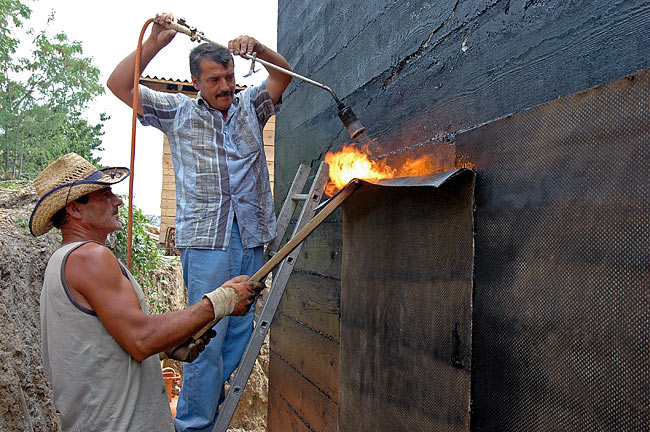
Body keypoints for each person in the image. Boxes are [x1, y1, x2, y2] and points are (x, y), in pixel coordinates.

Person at [107, 12, 292, 431]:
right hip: (206, 241)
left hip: (251, 233)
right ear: (196, 83)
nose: (226, 86)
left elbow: (284, 76)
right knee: (205, 336)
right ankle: (193, 424)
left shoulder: (251, 107)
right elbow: (119, 85)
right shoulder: (176, 113)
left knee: (240, 331)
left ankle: (209, 402)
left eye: (228, 76)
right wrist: (156, 42)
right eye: (215, 80)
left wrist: (259, 50)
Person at [32, 153, 264, 432]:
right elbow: (141, 338)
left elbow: (109, 345)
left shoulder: (65, 260)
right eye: (105, 195)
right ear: (74, 209)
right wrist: (221, 301)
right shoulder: (90, 258)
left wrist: (166, 349)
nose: (117, 201)